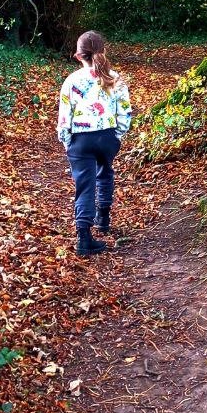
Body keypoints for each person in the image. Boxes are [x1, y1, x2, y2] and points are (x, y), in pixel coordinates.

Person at [57, 30, 132, 257]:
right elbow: (125, 113)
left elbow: (64, 118)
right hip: (107, 137)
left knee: (84, 184)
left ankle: (84, 237)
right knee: (105, 172)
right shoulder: (114, 78)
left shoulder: (71, 81)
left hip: (81, 140)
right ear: (103, 52)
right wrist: (116, 136)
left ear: (79, 56)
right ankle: (104, 218)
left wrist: (68, 142)